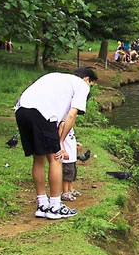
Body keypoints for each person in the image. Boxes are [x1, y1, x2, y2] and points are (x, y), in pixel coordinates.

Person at [14, 67, 97, 219]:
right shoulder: (82, 85)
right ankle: (55, 206)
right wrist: (60, 141)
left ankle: (42, 204)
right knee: (56, 158)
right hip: (42, 114)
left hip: (21, 110)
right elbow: (72, 116)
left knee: (38, 158)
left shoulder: (58, 78)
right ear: (86, 79)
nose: (90, 88)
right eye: (91, 84)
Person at [60, 126, 80, 202]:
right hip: (67, 156)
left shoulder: (70, 125)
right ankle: (65, 192)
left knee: (72, 173)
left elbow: (70, 138)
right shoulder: (62, 124)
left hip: (72, 155)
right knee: (67, 174)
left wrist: (75, 144)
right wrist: (63, 150)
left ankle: (70, 189)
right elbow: (60, 139)